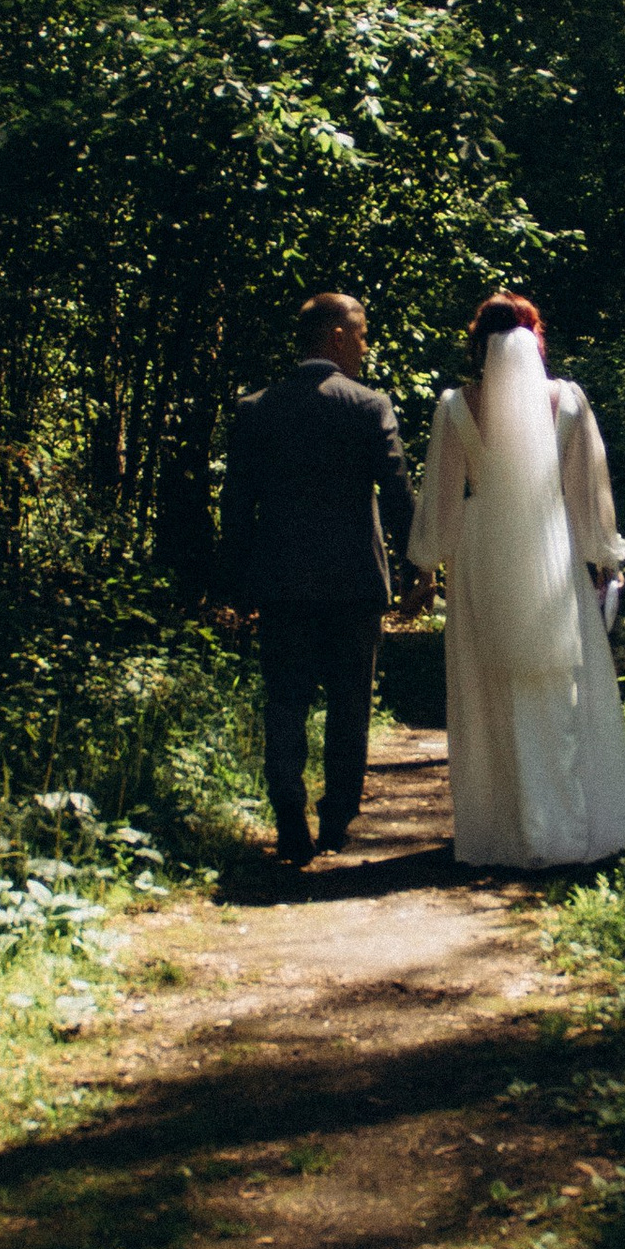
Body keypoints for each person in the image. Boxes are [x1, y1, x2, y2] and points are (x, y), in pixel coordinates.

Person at [406, 293, 625, 872]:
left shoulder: (457, 406)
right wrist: (602, 555)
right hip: (551, 543)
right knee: (561, 682)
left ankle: (504, 831)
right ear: (535, 337)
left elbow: (441, 498)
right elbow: (589, 487)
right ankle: (567, 824)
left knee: (491, 686)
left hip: (483, 552)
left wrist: (428, 565)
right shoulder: (567, 401)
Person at [218, 288, 417, 869]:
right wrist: (416, 567)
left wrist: (234, 586)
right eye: (359, 331)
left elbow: (236, 505)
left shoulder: (257, 408)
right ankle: (335, 821)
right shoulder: (367, 404)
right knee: (350, 705)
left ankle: (289, 822)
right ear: (334, 335)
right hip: (354, 582)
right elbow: (399, 492)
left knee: (285, 703)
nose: (364, 342)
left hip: (280, 583)